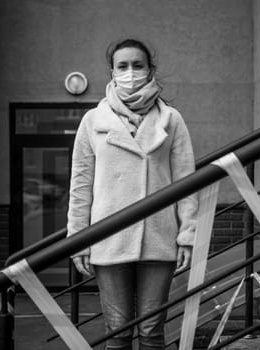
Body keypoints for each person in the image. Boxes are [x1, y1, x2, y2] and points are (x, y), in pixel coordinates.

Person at [67, 38, 198, 350]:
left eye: (137, 65)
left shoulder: (172, 119)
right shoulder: (92, 121)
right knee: (118, 330)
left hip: (160, 238)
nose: (130, 72)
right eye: (122, 66)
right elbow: (80, 186)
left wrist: (188, 236)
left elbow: (186, 181)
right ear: (112, 72)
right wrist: (78, 240)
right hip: (108, 238)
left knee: (152, 331)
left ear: (150, 69)